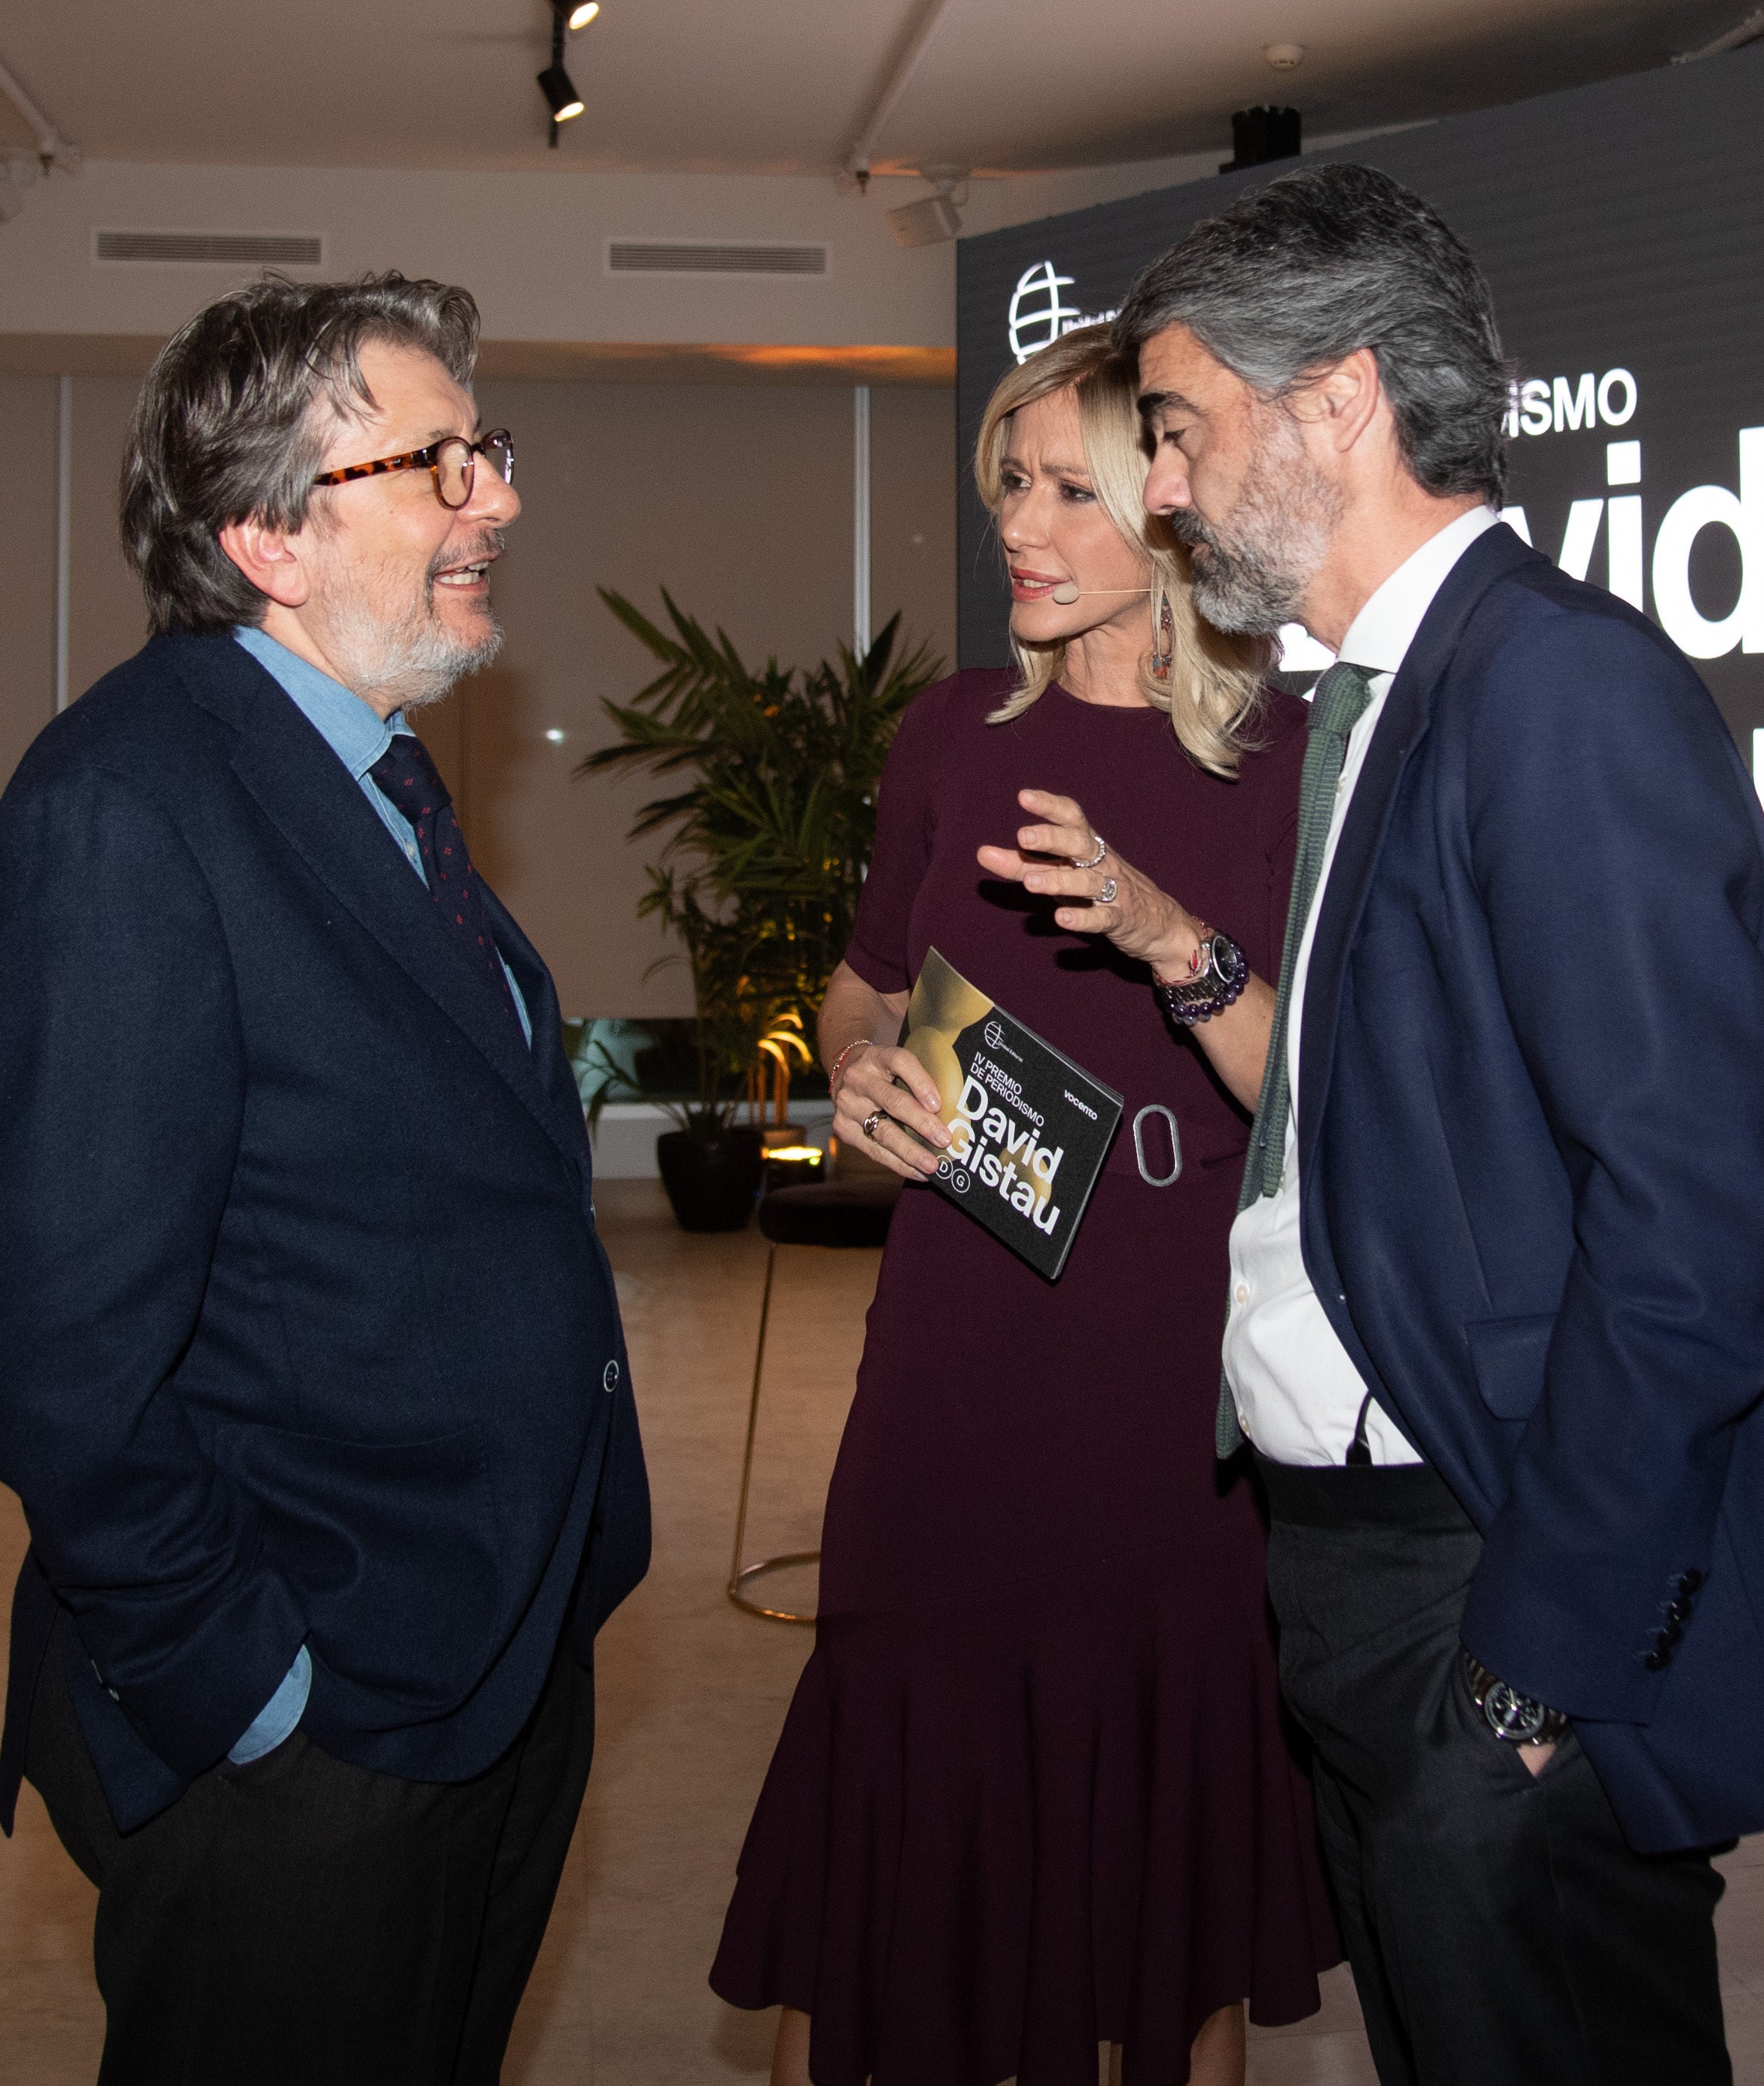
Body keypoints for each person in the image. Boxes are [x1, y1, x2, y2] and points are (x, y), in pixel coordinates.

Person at [1094, 164, 1764, 2085]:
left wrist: (1529, 1674)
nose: (1167, 494)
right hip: (1368, 1552)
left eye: (1185, 430)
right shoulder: (1387, 694)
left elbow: (1691, 1234)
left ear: (1338, 398)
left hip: (1490, 1571)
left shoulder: (1554, 693)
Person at [0, 271, 648, 2086]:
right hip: (321, 1709)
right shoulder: (125, 808)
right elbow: (53, 1360)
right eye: (440, 463)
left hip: (489, 1641)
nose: (495, 495)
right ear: (267, 533)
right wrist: (254, 1691)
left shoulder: (372, 775)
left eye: (486, 449)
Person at [709, 322, 1337, 2086]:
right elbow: (863, 980)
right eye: (1008, 483)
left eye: (1066, 484)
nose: (1019, 522)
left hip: (1175, 1397)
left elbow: (1320, 1090)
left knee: (1171, 1918)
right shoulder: (947, 739)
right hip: (949, 1380)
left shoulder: (1287, 762)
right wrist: (857, 1075)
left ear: (1174, 500)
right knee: (883, 1889)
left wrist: (1165, 935)